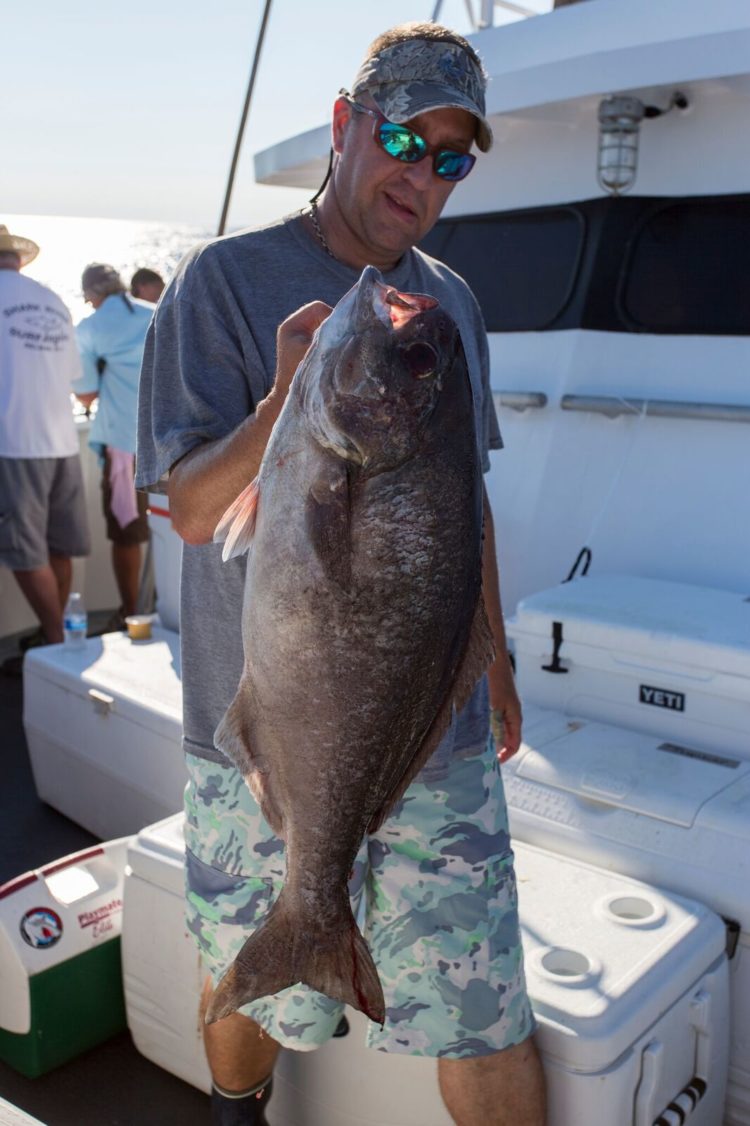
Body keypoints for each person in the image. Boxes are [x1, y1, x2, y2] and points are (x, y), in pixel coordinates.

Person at [136, 22, 546, 1126]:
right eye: (407, 137)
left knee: (488, 1007)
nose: (422, 175)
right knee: (245, 978)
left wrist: (494, 661)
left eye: (452, 158)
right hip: (258, 712)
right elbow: (182, 509)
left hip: (432, 717)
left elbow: (464, 498)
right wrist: (281, 410)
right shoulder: (221, 282)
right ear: (344, 124)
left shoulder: (447, 304)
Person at [0, 223, 91, 675]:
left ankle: (57, 647)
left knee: (24, 551)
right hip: (61, 445)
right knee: (58, 546)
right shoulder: (53, 301)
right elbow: (73, 374)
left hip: (13, 443)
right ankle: (62, 640)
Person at [74, 263, 153, 626]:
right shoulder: (156, 313)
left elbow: (86, 393)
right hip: (169, 438)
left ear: (91, 295)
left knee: (126, 535)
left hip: (124, 444)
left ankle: (130, 614)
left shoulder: (88, 329)